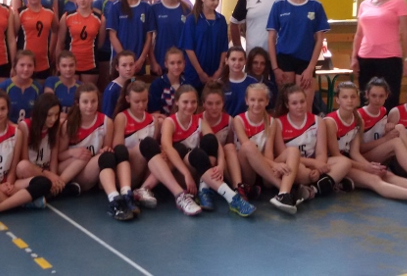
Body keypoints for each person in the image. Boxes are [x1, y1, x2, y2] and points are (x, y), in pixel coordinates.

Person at [324, 82, 407, 205]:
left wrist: (370, 166)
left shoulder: (358, 120)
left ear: (358, 99)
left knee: (386, 174)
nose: (349, 100)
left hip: (350, 161)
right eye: (345, 97)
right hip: (337, 164)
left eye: (353, 97)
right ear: (337, 100)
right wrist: (366, 167)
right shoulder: (331, 122)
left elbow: (354, 153)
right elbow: (337, 156)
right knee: (374, 179)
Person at [160, 86, 256, 216]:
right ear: (176, 102)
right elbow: (167, 147)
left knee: (209, 140)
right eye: (185, 102)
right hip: (180, 173)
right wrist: (186, 174)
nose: (190, 106)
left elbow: (216, 144)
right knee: (196, 153)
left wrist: (221, 164)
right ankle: (232, 197)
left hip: (198, 170)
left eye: (193, 102)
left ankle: (204, 190)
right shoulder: (169, 122)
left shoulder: (199, 121)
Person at [113, 81, 203, 216]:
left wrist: (162, 152)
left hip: (148, 170)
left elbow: (155, 150)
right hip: (130, 169)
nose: (141, 105)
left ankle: (144, 188)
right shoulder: (122, 117)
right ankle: (179, 194)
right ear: (128, 99)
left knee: (176, 149)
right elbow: (118, 149)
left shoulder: (153, 120)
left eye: (144, 101)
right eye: (137, 101)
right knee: (147, 144)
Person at [0, 90, 52, 221]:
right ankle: (23, 201)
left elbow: (13, 168)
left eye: (3, 109)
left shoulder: (17, 133)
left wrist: (9, 185)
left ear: (8, 110)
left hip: (8, 183)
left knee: (44, 182)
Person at [61, 84, 137, 220]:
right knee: (98, 157)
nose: (89, 106)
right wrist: (72, 153)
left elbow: (106, 149)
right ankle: (114, 201)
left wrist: (106, 149)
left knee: (111, 154)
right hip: (72, 169)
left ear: (98, 101)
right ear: (77, 103)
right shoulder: (69, 124)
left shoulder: (106, 122)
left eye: (93, 101)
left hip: (92, 170)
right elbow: (59, 156)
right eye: (85, 102)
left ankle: (121, 196)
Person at [232, 83, 304, 214]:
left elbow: (269, 151)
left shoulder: (272, 122)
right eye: (253, 100)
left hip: (265, 171)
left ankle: (283, 194)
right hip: (248, 172)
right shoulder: (238, 120)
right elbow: (246, 148)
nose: (256, 104)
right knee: (248, 146)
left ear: (267, 101)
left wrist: (274, 166)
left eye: (261, 100)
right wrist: (274, 165)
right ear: (246, 101)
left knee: (293, 150)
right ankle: (284, 187)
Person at [351, 0, 407, 109]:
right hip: (366, 57)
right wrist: (354, 57)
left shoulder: (399, 2)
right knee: (366, 99)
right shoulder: (364, 4)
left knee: (389, 99)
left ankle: (389, 123)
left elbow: (406, 31)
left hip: (389, 58)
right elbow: (359, 34)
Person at [273, 84, 352, 197]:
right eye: (294, 103)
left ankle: (314, 188)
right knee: (297, 170)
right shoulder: (278, 123)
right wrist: (314, 164)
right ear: (287, 105)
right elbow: (284, 155)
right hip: (295, 165)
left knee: (345, 162)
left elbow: (321, 153)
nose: (299, 106)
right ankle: (328, 181)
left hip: (314, 163)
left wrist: (318, 169)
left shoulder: (318, 121)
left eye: (302, 102)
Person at [267, 0, 329, 104]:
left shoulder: (315, 6)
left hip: (306, 61)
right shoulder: (279, 5)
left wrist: (310, 68)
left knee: (305, 105)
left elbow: (319, 40)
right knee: (286, 104)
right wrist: (275, 68)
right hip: (284, 60)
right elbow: (271, 38)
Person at [357, 78, 407, 187]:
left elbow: (379, 135)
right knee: (396, 142)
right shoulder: (360, 115)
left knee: (399, 128)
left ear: (386, 95)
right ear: (366, 95)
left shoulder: (383, 111)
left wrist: (388, 130)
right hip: (363, 157)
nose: (377, 100)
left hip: (380, 155)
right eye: (373, 96)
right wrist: (385, 139)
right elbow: (358, 149)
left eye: (381, 96)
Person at [16, 93, 85, 197]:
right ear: (40, 113)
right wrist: (49, 175)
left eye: (56, 115)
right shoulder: (25, 126)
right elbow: (24, 160)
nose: (53, 119)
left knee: (84, 156)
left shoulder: (55, 126)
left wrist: (54, 176)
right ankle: (61, 189)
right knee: (23, 166)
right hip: (32, 172)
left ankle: (56, 187)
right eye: (49, 115)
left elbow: (54, 157)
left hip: (47, 169)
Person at [180, 0, 228, 89]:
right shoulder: (192, 19)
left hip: (215, 72)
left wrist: (220, 69)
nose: (216, 2)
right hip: (195, 72)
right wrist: (200, 72)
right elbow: (188, 48)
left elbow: (224, 47)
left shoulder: (221, 20)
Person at [107, 0, 155, 75]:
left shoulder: (146, 7)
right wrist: (126, 60)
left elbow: (149, 37)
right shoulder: (115, 6)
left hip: (138, 63)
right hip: (120, 63)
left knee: (137, 85)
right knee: (120, 86)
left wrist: (141, 59)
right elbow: (112, 36)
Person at [58, 0, 104, 85]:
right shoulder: (67, 17)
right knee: (72, 92)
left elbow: (100, 43)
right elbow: (60, 43)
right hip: (70, 63)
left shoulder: (100, 18)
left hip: (90, 63)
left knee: (88, 92)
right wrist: (58, 65)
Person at [149, 0, 191, 75]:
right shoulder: (155, 8)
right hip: (160, 61)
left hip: (180, 64)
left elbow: (189, 38)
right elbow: (148, 39)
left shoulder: (186, 9)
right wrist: (153, 62)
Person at [16, 0, 57, 82]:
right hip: (24, 62)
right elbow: (12, 36)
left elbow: (56, 30)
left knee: (41, 90)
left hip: (43, 61)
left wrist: (51, 50)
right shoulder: (20, 13)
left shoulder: (50, 12)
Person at [93, 0, 122, 91]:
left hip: (119, 47)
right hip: (104, 48)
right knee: (104, 82)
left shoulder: (124, 2)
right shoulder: (98, 3)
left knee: (119, 82)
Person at [0, 50, 43, 123]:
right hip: (6, 126)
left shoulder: (38, 88)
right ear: (15, 66)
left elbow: (39, 114)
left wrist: (26, 126)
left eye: (30, 65)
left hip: (30, 127)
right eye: (22, 65)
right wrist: (13, 126)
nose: (26, 69)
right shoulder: (3, 87)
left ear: (34, 68)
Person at [147, 47, 186, 121]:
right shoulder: (157, 85)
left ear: (184, 63)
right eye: (172, 63)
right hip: (163, 122)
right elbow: (155, 114)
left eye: (179, 62)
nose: (176, 67)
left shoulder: (187, 83)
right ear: (166, 64)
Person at [219, 46, 258, 118]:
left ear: (245, 61)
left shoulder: (253, 83)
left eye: (241, 59)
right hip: (225, 123)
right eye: (233, 59)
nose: (237, 63)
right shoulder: (219, 84)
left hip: (247, 122)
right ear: (226, 60)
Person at [44, 51, 81, 115]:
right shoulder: (51, 81)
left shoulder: (80, 86)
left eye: (71, 65)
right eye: (64, 66)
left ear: (76, 66)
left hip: (74, 119)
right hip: (55, 118)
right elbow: (48, 104)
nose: (68, 69)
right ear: (58, 67)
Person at [101, 51, 135, 119]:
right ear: (117, 67)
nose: (128, 69)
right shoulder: (111, 90)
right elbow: (107, 117)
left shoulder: (135, 82)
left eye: (131, 65)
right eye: (124, 65)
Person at [246, 47, 278, 111]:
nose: (258, 66)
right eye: (255, 63)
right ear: (249, 63)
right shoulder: (243, 83)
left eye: (262, 63)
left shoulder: (270, 85)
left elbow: (273, 108)